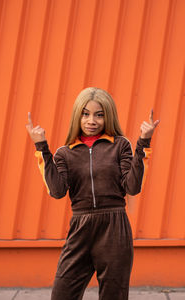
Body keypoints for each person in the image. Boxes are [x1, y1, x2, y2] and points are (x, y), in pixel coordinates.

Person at [26, 87, 159, 300]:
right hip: (80, 227)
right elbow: (58, 191)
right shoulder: (65, 153)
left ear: (109, 116)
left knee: (113, 295)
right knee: (62, 294)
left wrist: (143, 142)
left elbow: (132, 187)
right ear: (77, 115)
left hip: (114, 227)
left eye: (99, 114)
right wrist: (41, 146)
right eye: (85, 114)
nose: (92, 121)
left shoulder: (120, 146)